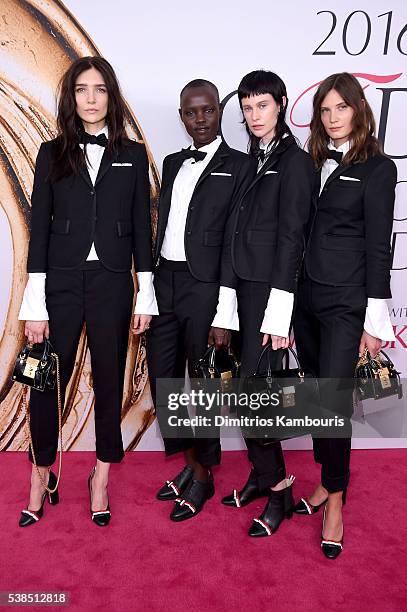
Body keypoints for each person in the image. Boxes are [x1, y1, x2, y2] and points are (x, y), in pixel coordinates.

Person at [18, 56, 157, 527]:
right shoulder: (50, 152)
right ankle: (41, 472)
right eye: (82, 89)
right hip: (58, 283)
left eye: (100, 89)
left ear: (111, 96)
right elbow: (39, 230)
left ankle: (101, 474)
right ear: (71, 96)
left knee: (109, 379)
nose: (91, 98)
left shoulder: (134, 155)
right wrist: (33, 302)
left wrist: (146, 293)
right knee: (45, 382)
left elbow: (142, 227)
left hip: (113, 282)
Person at [292, 72, 396, 558]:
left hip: (345, 302)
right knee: (314, 394)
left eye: (341, 108)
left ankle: (336, 499)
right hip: (305, 297)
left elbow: (379, 245)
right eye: (325, 110)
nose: (332, 118)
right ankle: (322, 480)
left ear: (359, 109)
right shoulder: (310, 161)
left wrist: (376, 318)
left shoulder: (378, 168)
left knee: (333, 403)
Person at [147, 79, 255, 522]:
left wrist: (225, 309)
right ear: (181, 116)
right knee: (165, 380)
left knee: (205, 383)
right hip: (165, 281)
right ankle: (192, 463)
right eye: (191, 113)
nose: (199, 120)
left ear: (219, 112)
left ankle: (203, 476)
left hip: (206, 288)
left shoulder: (241, 165)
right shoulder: (172, 162)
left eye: (207, 111)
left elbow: (235, 241)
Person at [218, 70, 314, 537]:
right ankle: (260, 475)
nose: (254, 116)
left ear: (280, 104)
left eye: (262, 106)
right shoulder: (250, 159)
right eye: (247, 108)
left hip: (269, 295)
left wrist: (280, 310)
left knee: (255, 397)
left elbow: (294, 237)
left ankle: (280, 491)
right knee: (243, 391)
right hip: (241, 290)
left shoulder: (295, 163)